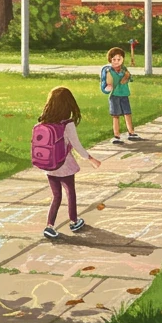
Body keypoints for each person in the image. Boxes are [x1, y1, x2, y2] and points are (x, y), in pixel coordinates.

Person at [36, 87, 101, 240]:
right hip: (64, 165)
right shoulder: (67, 124)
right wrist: (90, 159)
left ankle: (49, 226)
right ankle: (74, 221)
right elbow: (77, 145)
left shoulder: (44, 122)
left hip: (49, 166)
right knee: (70, 193)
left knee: (56, 196)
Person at [103, 47, 142, 145]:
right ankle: (116, 135)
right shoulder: (109, 70)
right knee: (115, 115)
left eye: (119, 59)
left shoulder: (124, 70)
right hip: (114, 95)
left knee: (127, 113)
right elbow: (107, 83)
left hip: (124, 94)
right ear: (110, 60)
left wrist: (127, 76)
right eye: (114, 59)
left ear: (123, 59)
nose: (117, 61)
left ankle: (131, 132)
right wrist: (108, 86)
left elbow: (129, 79)